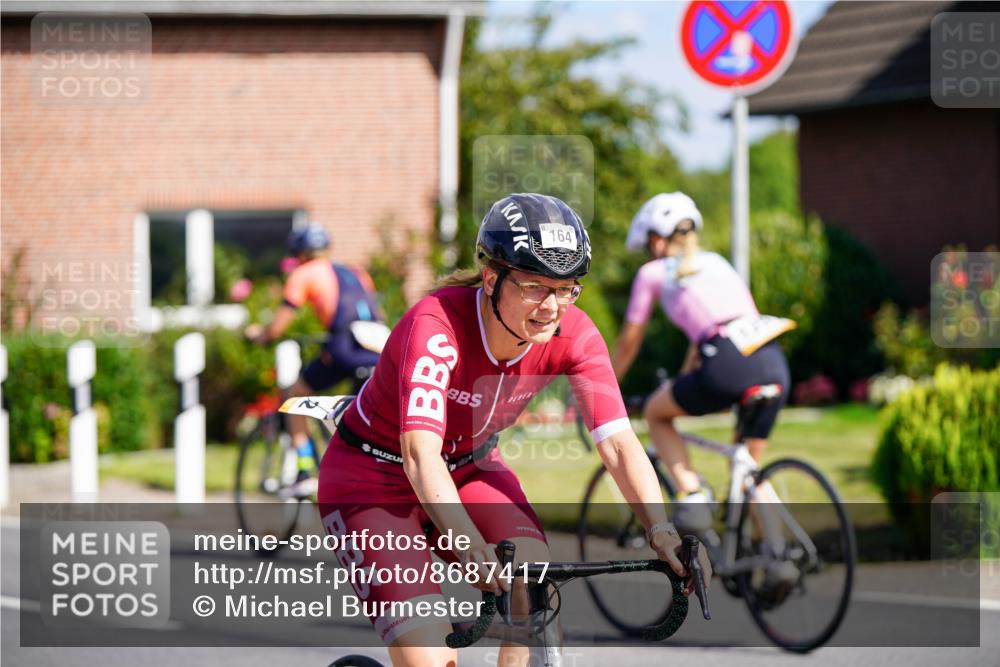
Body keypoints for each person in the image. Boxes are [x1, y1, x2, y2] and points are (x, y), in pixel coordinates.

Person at [316, 193, 711, 667]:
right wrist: (469, 547)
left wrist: (661, 530)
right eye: (534, 286)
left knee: (536, 590)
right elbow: (420, 456)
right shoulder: (435, 326)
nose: (551, 306)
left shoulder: (575, 335)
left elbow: (621, 446)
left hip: (470, 467)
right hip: (373, 479)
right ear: (491, 278)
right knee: (434, 659)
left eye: (566, 288)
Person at [611, 192, 793, 534]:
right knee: (746, 465)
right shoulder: (718, 263)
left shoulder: (653, 272)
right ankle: (778, 556)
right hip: (772, 360)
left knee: (654, 412)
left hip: (727, 363)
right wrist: (682, 381)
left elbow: (628, 343)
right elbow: (717, 335)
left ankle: (691, 494)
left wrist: (602, 388)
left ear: (655, 239)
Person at [246, 223, 385, 496]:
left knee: (295, 398)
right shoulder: (357, 273)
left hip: (346, 346)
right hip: (380, 348)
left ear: (298, 254)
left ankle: (305, 469)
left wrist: (259, 335)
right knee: (355, 419)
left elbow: (277, 327)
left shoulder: (304, 273)